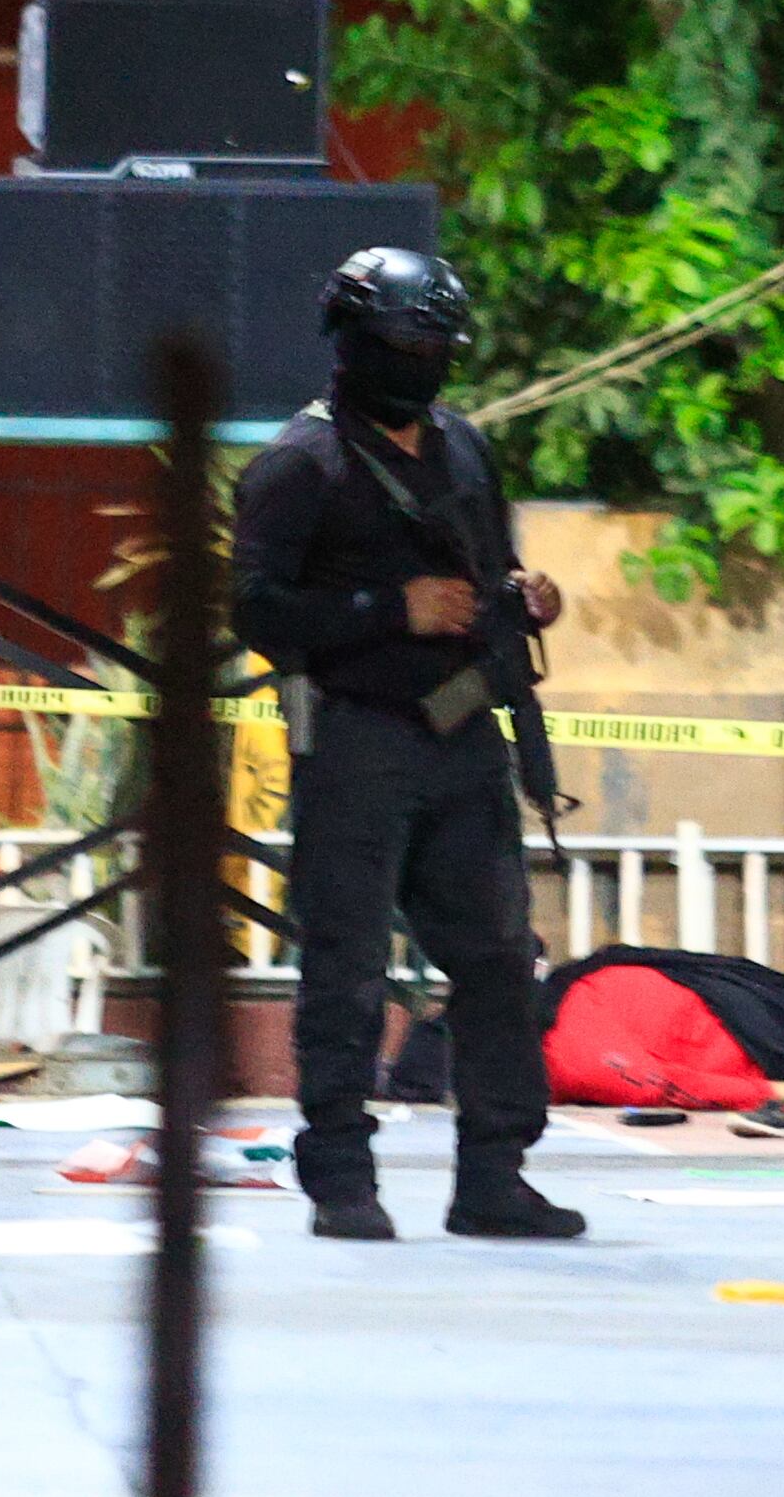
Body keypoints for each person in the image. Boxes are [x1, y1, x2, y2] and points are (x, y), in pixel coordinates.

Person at [229, 246, 586, 1245]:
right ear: (353, 342)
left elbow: (492, 568)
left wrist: (524, 598)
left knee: (497, 958)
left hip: (465, 736)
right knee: (345, 966)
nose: (425, 358)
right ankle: (341, 1176)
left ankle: (493, 1176)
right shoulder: (300, 465)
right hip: (357, 742)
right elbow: (257, 608)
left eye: (438, 342)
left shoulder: (466, 449)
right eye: (406, 339)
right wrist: (389, 609)